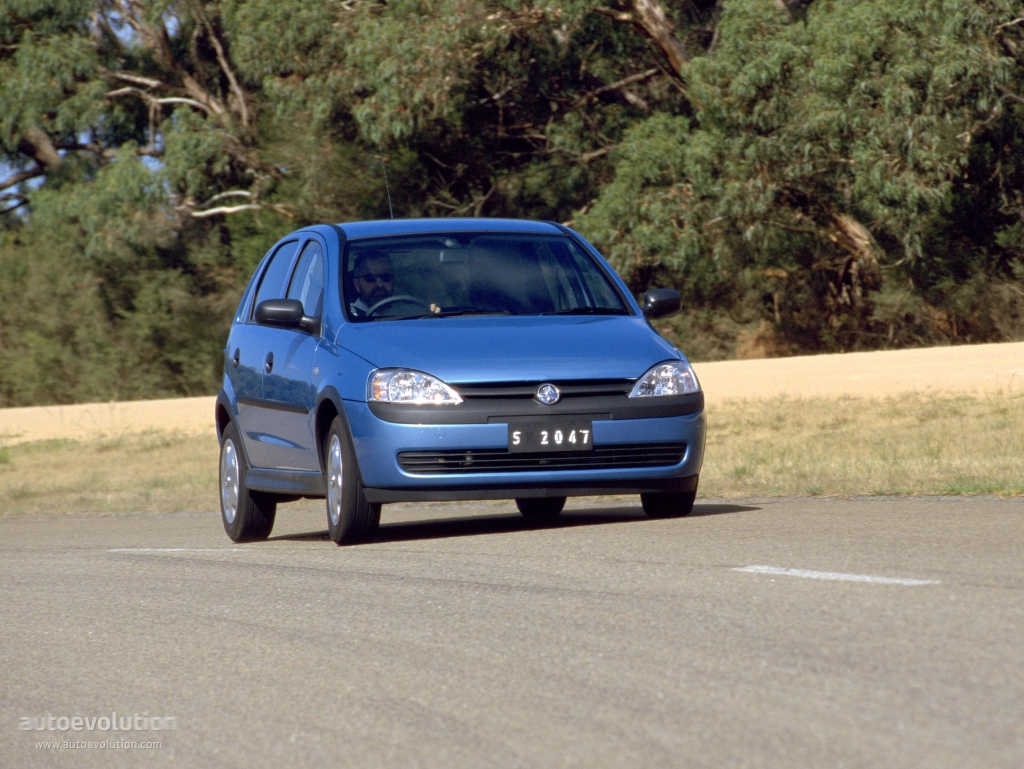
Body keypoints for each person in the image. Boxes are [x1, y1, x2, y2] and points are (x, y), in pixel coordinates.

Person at [349, 250, 394, 317]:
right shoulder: (349, 317)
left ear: (393, 280)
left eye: (385, 277)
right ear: (357, 284)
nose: (379, 284)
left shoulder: (411, 311)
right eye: (370, 278)